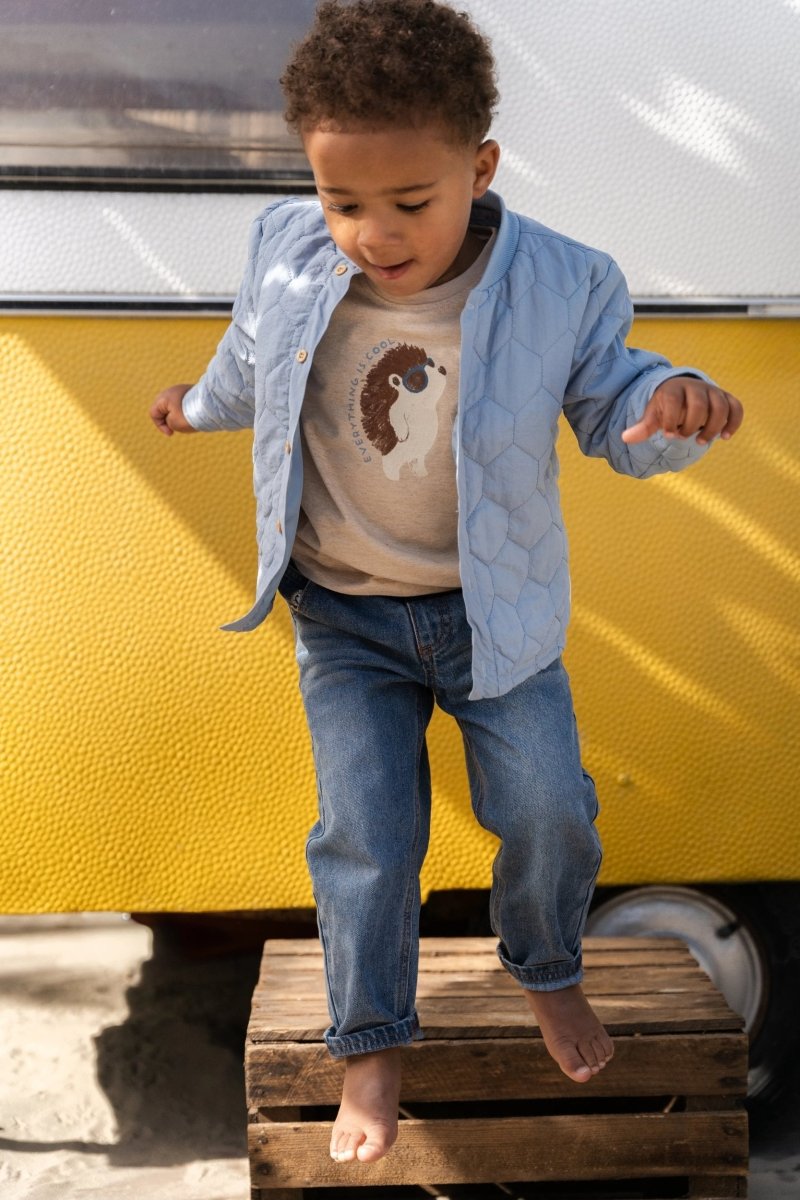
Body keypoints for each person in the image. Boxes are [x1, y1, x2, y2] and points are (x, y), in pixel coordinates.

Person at [150, 0, 743, 1168]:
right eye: (341, 201)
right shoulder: (287, 250)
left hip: (492, 617)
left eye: (409, 202)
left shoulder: (561, 281)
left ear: (479, 168)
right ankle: (369, 1046)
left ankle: (546, 966)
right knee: (365, 837)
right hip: (345, 618)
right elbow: (251, 361)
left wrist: (666, 404)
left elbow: (613, 399)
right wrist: (196, 404)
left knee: (547, 810)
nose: (371, 234)